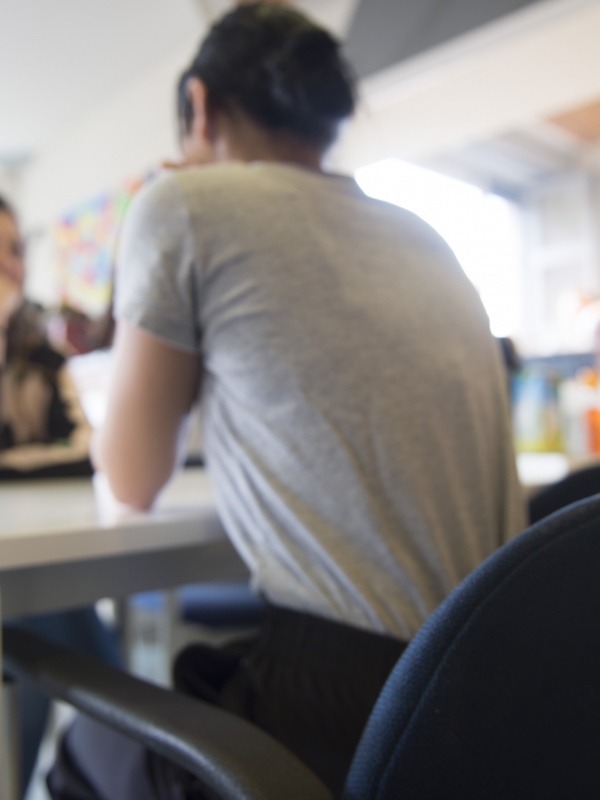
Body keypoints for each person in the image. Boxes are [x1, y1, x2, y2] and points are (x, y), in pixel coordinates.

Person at [47, 4, 526, 798]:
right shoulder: (421, 233)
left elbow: (131, 479)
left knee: (85, 750)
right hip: (496, 700)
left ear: (198, 107)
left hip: (342, 719)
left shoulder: (183, 206)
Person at [0, 195, 123, 796]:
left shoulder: (45, 354)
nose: (9, 265)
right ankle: (136, 742)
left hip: (27, 557)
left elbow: (86, 450)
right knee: (42, 612)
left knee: (38, 606)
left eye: (16, 250)